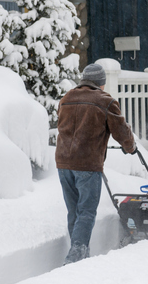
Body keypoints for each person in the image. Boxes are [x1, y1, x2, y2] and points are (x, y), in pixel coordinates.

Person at [56, 63, 136, 264]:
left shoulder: (66, 99)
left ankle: (80, 254)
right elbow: (121, 131)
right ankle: (76, 256)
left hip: (63, 163)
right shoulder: (105, 101)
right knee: (87, 211)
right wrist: (130, 146)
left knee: (74, 210)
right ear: (101, 83)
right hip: (87, 164)